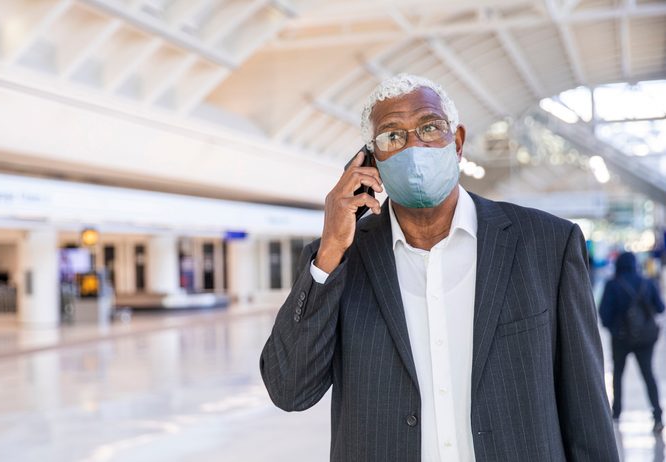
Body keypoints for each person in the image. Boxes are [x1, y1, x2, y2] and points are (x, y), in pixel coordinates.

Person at [259, 74, 618, 461]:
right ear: (371, 160)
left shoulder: (547, 245)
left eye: (430, 127)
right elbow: (289, 390)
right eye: (392, 136)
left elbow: (587, 410)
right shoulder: (341, 259)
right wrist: (331, 247)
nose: (414, 146)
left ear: (457, 142)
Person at [599, 251, 664, 433]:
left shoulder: (612, 285)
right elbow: (660, 308)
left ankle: (616, 413)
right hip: (645, 340)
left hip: (620, 339)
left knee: (618, 374)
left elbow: (604, 314)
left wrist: (616, 328)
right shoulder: (647, 283)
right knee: (648, 375)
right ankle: (657, 416)